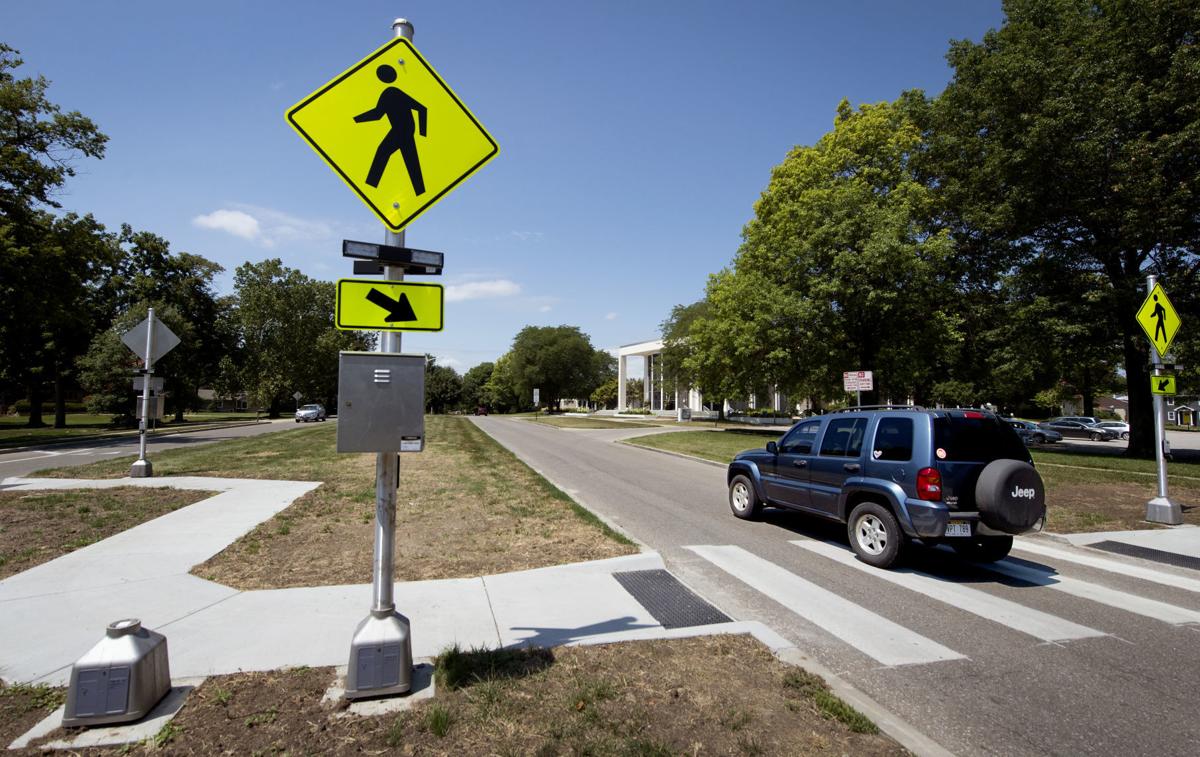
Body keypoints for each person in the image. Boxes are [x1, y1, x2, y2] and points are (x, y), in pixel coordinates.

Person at [354, 64, 427, 195]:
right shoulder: (388, 93)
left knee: (383, 152)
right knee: (411, 161)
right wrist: (356, 119)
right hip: (404, 130)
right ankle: (420, 191)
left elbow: (422, 109)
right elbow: (378, 114)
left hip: (402, 130)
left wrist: (423, 134)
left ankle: (371, 185)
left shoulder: (392, 92)